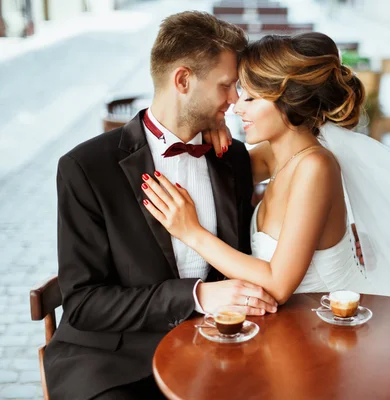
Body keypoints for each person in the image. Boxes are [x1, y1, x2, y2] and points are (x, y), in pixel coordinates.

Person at [142, 32, 390, 307]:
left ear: (287, 100)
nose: (236, 108)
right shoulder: (274, 157)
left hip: (330, 329)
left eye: (251, 99)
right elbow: (210, 166)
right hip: (288, 328)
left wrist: (191, 232)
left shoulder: (316, 166)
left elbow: (278, 282)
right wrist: (207, 128)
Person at [44, 12, 279, 400]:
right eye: (226, 86)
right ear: (183, 80)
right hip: (113, 361)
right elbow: (85, 302)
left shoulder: (230, 157)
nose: (235, 100)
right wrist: (197, 296)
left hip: (217, 347)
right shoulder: (85, 167)